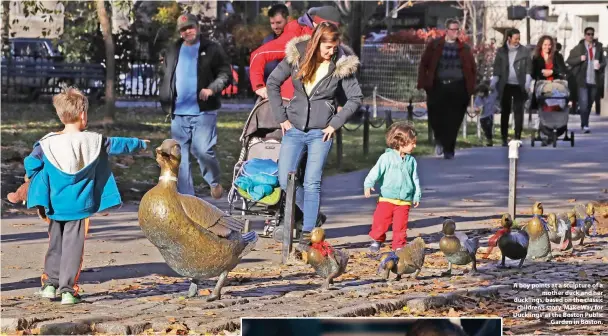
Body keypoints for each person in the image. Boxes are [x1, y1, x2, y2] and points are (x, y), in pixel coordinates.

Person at [25, 87, 149, 305]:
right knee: (73, 248)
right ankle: (68, 291)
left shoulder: (47, 144)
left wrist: (30, 178)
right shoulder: (93, 141)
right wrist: (139, 143)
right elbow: (118, 144)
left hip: (54, 206)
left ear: (60, 115)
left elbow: (31, 162)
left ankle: (49, 285)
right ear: (83, 115)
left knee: (55, 244)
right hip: (79, 207)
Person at [267, 22, 362, 250]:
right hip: (294, 129)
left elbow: (355, 98)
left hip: (321, 132)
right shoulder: (297, 56)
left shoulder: (341, 64)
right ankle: (314, 215)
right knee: (284, 179)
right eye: (327, 48)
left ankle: (309, 232)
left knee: (312, 182)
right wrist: (282, 117)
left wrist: (335, 124)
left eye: (334, 47)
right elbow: (272, 83)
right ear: (316, 43)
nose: (331, 52)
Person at [159, 13, 231, 198]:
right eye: (183, 29)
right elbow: (167, 74)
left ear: (197, 27)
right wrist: (166, 98)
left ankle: (214, 181)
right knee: (179, 157)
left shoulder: (211, 49)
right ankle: (187, 199)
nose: (187, 31)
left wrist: (211, 89)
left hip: (203, 111)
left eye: (190, 27)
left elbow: (225, 73)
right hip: (178, 112)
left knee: (203, 150)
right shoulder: (173, 49)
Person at [250, 6, 342, 100]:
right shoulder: (295, 39)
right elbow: (258, 55)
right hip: (288, 101)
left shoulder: (329, 41)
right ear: (317, 24)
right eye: (329, 29)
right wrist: (259, 86)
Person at [417, 18, 476, 159]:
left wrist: (471, 88)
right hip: (439, 85)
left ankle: (449, 149)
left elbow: (472, 69)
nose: (456, 32)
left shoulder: (464, 48)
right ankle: (439, 139)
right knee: (436, 115)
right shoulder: (435, 45)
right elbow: (424, 63)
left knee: (454, 119)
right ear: (447, 30)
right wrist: (423, 83)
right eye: (453, 29)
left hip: (458, 86)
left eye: (458, 29)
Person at [363, 122, 421, 252]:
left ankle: (399, 245)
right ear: (401, 142)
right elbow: (375, 171)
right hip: (387, 198)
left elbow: (415, 179)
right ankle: (377, 239)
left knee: (401, 226)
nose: (415, 146)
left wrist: (416, 194)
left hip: (404, 199)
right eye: (412, 143)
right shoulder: (386, 158)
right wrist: (368, 183)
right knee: (381, 222)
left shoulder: (411, 161)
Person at [490, 28, 532, 146]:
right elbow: (497, 68)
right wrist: (494, 82)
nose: (517, 41)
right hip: (505, 85)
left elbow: (529, 68)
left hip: (519, 85)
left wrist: (527, 83)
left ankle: (517, 136)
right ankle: (504, 137)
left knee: (518, 111)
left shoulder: (524, 51)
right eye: (515, 38)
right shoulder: (501, 51)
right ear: (509, 38)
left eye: (519, 38)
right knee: (505, 111)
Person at [566, 27, 606, 133]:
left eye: (592, 34)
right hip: (582, 81)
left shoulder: (598, 47)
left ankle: (584, 123)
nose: (590, 36)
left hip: (594, 80)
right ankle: (585, 125)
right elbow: (569, 60)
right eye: (588, 34)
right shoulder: (579, 48)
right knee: (583, 104)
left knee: (588, 104)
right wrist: (580, 59)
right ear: (585, 35)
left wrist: (600, 65)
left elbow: (604, 61)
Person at [530, 35, 567, 112]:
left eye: (549, 45)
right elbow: (532, 73)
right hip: (541, 87)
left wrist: (552, 72)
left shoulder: (557, 56)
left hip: (555, 87)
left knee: (554, 109)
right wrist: (541, 72)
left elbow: (563, 70)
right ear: (541, 45)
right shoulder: (536, 57)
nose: (547, 47)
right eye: (545, 45)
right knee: (542, 109)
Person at [262, 4, 290, 84]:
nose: (275, 27)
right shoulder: (267, 41)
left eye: (278, 22)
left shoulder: (296, 40)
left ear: (287, 19)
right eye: (272, 23)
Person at [473, 82, 499, 147]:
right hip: (482, 117)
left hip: (489, 116)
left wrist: (490, 87)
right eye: (478, 92)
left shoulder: (490, 97)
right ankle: (488, 138)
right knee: (484, 128)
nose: (479, 93)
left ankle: (489, 140)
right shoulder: (477, 99)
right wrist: (476, 110)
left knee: (488, 128)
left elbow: (495, 92)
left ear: (485, 92)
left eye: (481, 92)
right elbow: (475, 106)